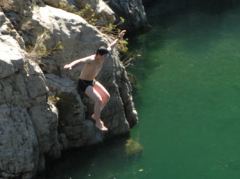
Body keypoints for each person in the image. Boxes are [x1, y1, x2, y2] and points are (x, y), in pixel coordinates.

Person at [64, 30, 126, 131]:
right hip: (83, 83)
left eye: (105, 56)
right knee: (99, 100)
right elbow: (80, 61)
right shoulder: (91, 59)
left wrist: (118, 38)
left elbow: (111, 46)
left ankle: (95, 115)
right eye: (103, 56)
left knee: (106, 96)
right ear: (98, 55)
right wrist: (70, 65)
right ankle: (98, 122)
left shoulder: (103, 56)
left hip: (92, 81)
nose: (105, 58)